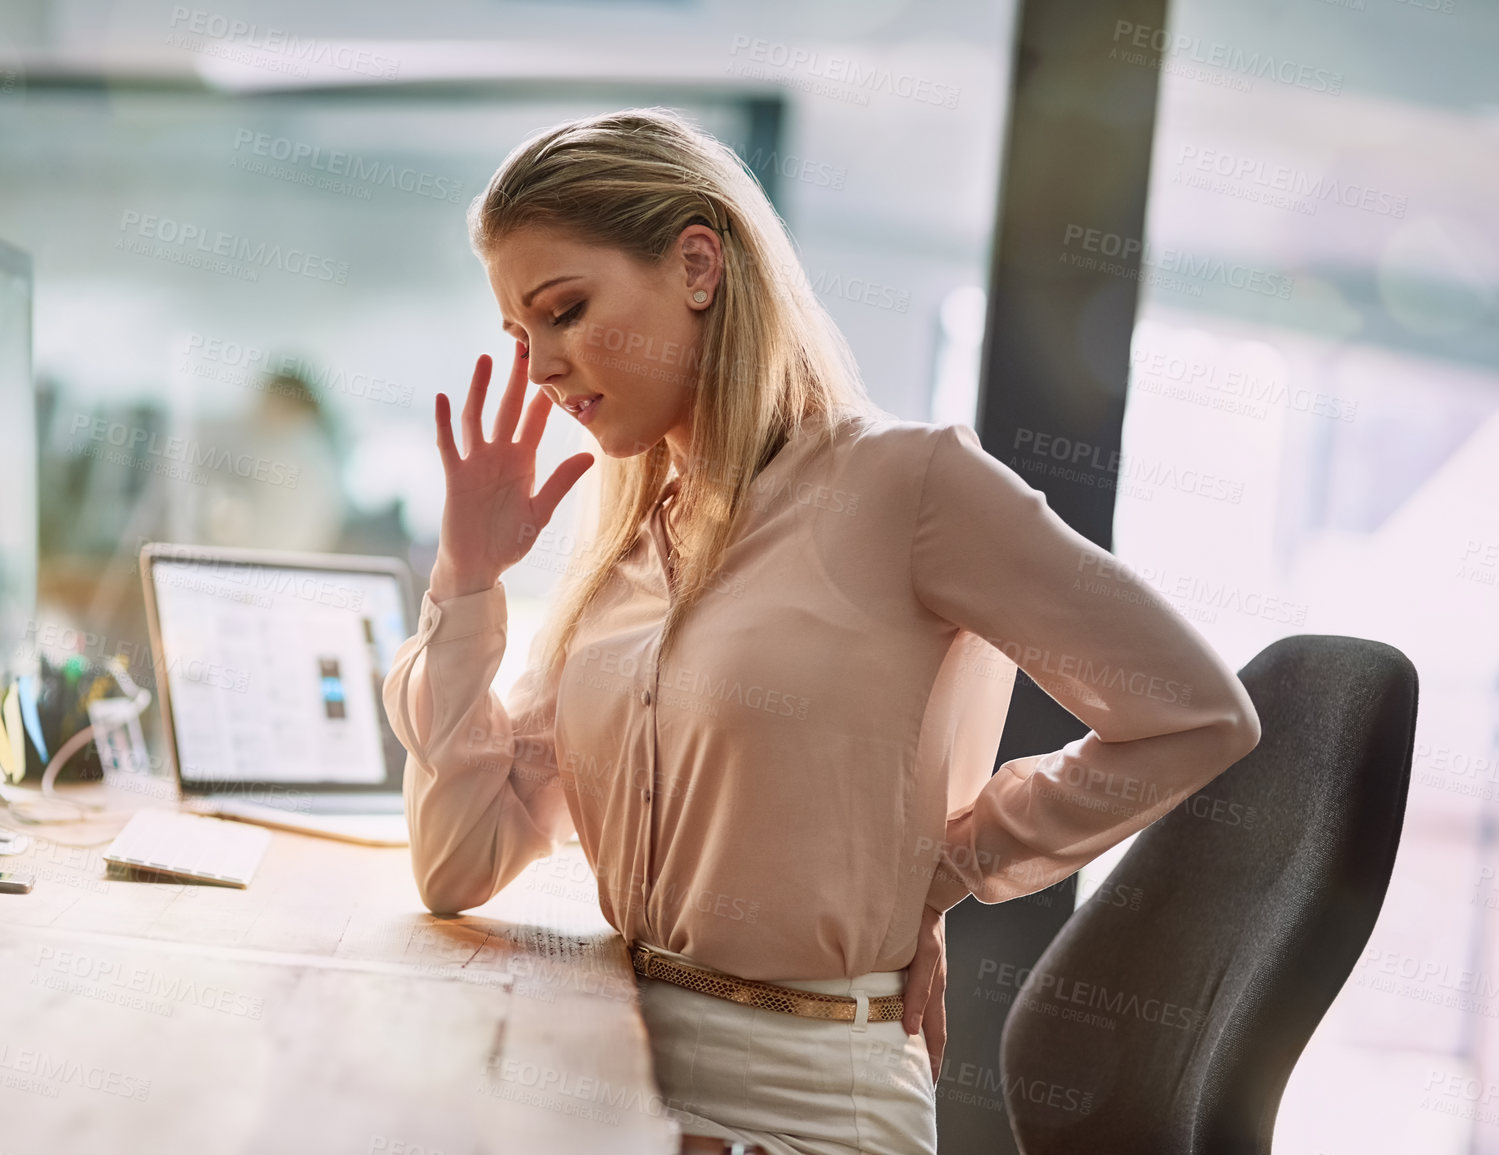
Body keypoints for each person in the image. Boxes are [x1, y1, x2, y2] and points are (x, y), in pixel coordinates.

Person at [380, 108, 1262, 1155]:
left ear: (699, 265)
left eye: (564, 312)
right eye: (519, 339)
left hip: (804, 1108)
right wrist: (468, 580)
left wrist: (949, 862)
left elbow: (1195, 714)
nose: (540, 371)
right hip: (615, 1080)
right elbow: (456, 864)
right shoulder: (625, 553)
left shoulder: (910, 484)